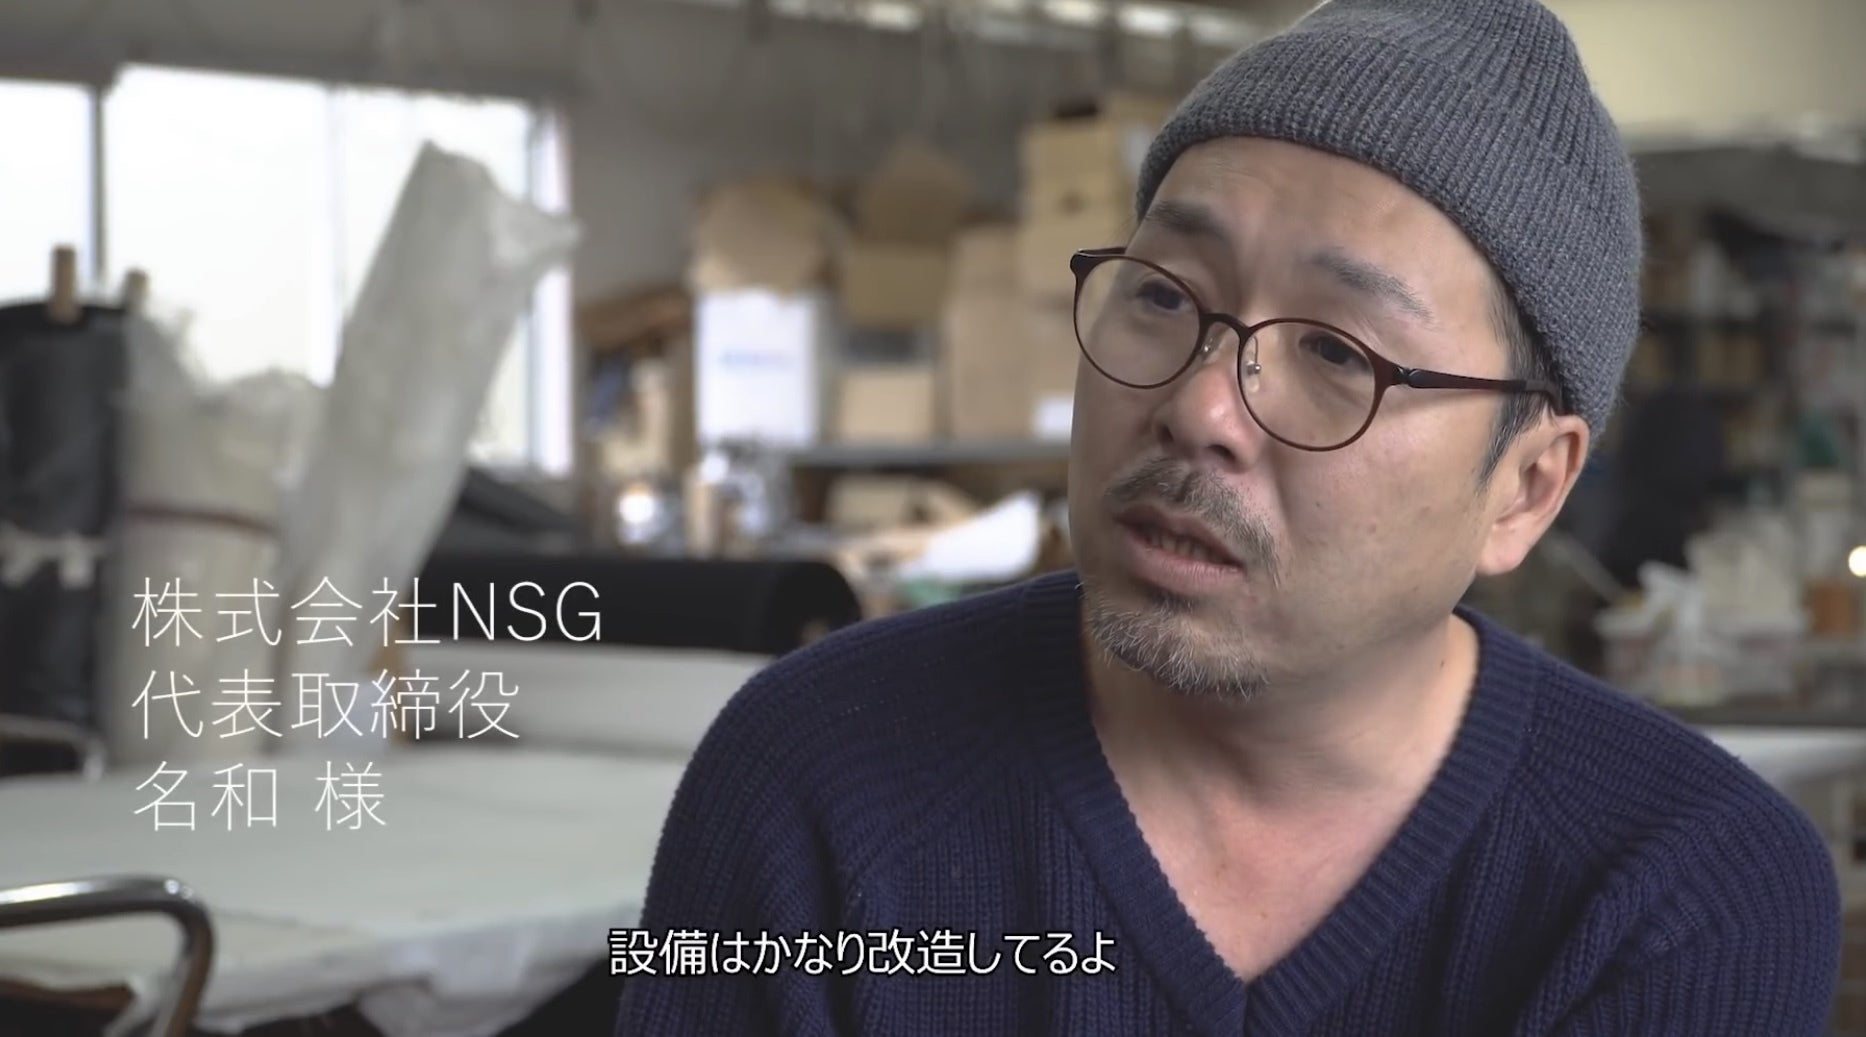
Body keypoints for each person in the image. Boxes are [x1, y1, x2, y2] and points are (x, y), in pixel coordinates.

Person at [615, 0, 1842, 1032]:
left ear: (1525, 487)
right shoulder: (822, 774)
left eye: (1338, 351)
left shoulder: (1682, 890)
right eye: (1162, 295)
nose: (1201, 405)